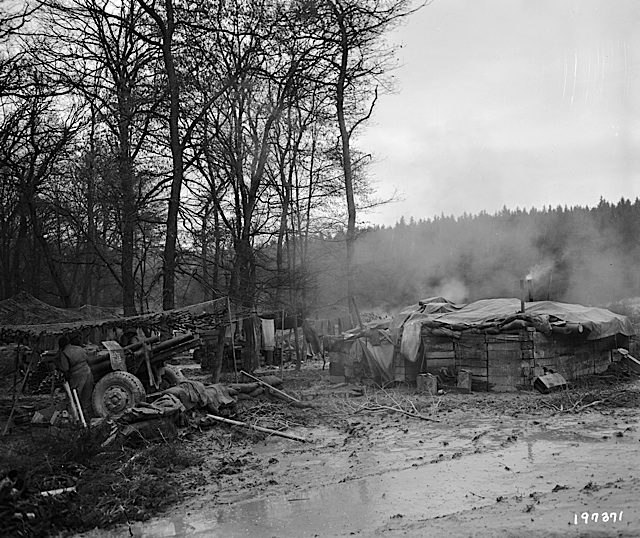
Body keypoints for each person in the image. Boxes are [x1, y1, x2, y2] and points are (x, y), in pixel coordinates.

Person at [57, 334, 94, 421]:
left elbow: (65, 368)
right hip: (88, 372)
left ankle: (76, 419)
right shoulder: (79, 348)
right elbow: (88, 359)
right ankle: (89, 418)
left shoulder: (64, 352)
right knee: (87, 397)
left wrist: (59, 366)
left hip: (77, 376)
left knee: (74, 398)